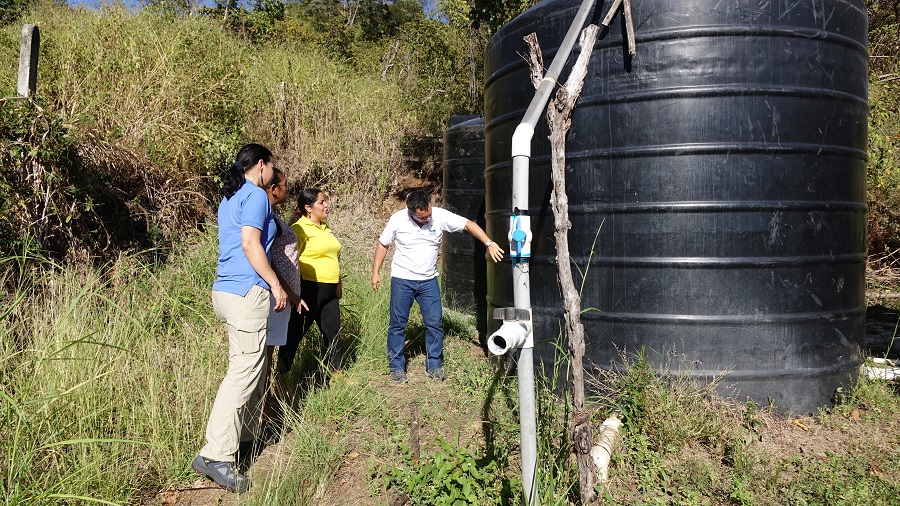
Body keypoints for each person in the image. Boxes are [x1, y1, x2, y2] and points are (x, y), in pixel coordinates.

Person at [192, 143, 287, 493]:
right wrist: (275, 284)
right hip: (246, 292)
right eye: (271, 168)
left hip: (225, 291)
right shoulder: (256, 195)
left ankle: (245, 437)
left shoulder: (229, 197)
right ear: (260, 166)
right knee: (243, 372)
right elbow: (250, 244)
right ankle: (215, 455)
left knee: (253, 366)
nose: (273, 174)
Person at [371, 189, 504, 383]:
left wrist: (488, 242)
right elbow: (383, 244)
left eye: (429, 214)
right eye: (422, 217)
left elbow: (469, 224)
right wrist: (376, 272)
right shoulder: (398, 220)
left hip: (428, 282)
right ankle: (396, 367)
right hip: (402, 280)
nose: (428, 219)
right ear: (411, 212)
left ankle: (434, 365)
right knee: (398, 324)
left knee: (434, 324)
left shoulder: (438, 216)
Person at [277, 188, 344, 377]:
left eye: (325, 201)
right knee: (295, 334)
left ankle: (335, 375)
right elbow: (288, 259)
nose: (326, 205)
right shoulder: (299, 229)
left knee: (332, 333)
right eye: (321, 202)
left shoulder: (325, 228)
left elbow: (332, 257)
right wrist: (291, 291)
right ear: (308, 207)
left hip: (330, 290)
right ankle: (281, 375)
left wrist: (338, 281)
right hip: (308, 289)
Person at [259, 168, 306, 428]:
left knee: (269, 356)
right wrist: (289, 293)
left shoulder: (273, 215)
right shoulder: (265, 216)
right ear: (273, 188)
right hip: (274, 297)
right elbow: (266, 258)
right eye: (284, 185)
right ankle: (262, 416)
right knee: (263, 358)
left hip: (281, 297)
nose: (287, 189)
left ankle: (265, 411)